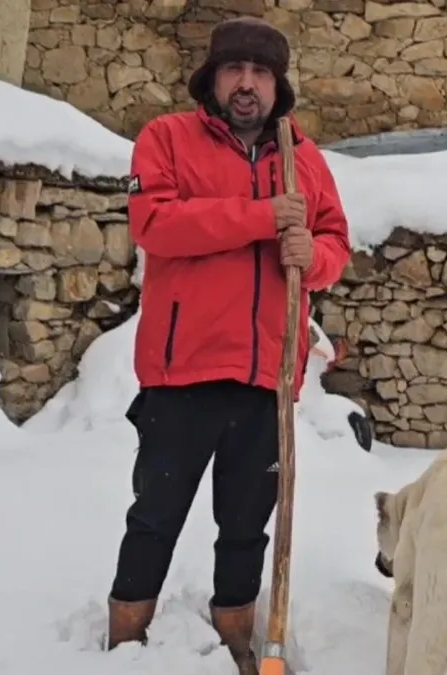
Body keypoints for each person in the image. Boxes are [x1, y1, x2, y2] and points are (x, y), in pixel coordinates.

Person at [105, 16, 353, 674]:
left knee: (246, 523)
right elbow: (155, 223)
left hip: (267, 375)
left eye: (260, 73)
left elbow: (334, 242)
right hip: (181, 371)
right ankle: (126, 633)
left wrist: (314, 257)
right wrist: (261, 217)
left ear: (278, 85)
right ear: (212, 79)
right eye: (235, 70)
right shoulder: (167, 139)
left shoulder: (305, 160)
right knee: (156, 513)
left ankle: (236, 631)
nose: (247, 84)